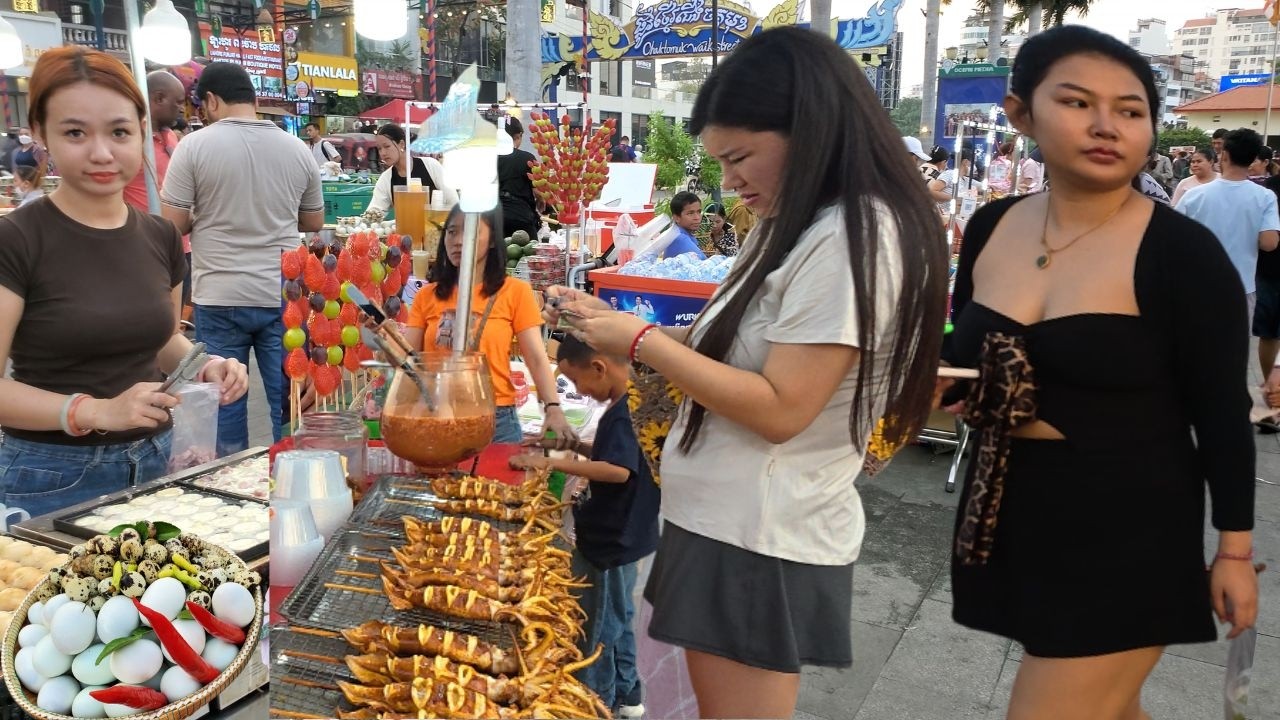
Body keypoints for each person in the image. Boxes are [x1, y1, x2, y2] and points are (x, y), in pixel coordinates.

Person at [542, 27, 947, 718]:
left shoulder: (854, 236)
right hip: (723, 515)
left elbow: (783, 407)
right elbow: (729, 345)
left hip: (760, 530)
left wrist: (640, 340)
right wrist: (614, 328)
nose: (728, 182)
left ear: (811, 131)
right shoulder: (793, 222)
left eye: (739, 158)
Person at [943, 26, 1257, 719]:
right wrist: (948, 388)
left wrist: (1234, 551)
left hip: (1129, 524)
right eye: (1078, 102)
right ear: (1021, 113)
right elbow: (972, 359)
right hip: (1012, 511)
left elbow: (1222, 413)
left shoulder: (1183, 253)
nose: (1107, 125)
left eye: (1131, 109)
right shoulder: (992, 227)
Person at [0, 47, 248, 518]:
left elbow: (161, 342)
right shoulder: (16, 239)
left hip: (157, 462)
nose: (101, 153)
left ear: (141, 131)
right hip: (52, 474)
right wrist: (95, 411)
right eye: (75, 132)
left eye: (119, 132)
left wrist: (206, 366)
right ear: (40, 133)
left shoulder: (160, 235)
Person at [161, 61, 324, 456]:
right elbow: (314, 221)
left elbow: (171, 225)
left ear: (211, 101)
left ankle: (233, 480)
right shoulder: (296, 148)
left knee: (226, 399)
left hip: (220, 294)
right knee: (289, 400)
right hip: (282, 294)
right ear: (252, 99)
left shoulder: (193, 147)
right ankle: (291, 471)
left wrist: (205, 215)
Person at [508, 335, 659, 717]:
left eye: (576, 381)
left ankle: (596, 702)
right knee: (620, 617)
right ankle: (629, 696)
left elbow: (618, 470)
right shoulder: (631, 404)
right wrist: (575, 447)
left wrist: (550, 463)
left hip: (611, 541)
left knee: (599, 626)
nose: (578, 390)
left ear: (599, 367)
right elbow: (615, 457)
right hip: (627, 536)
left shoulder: (623, 413)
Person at [404, 205, 576, 446]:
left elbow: (537, 358)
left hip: (497, 419)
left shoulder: (515, 292)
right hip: (438, 415)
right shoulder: (427, 296)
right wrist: (382, 335)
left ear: (493, 240)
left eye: (470, 231)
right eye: (452, 232)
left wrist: (553, 407)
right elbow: (408, 359)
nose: (458, 241)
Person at [1176, 128, 1280, 330]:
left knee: (1197, 343)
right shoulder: (1265, 197)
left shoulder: (1194, 195)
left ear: (1224, 155)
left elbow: (1173, 239)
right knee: (1234, 345)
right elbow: (1269, 243)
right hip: (1241, 287)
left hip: (1197, 285)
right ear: (1253, 158)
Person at [124, 71, 190, 320]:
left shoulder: (170, 137)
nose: (181, 108)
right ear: (158, 98)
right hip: (143, 246)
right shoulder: (131, 140)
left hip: (179, 245)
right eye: (178, 102)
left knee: (174, 321)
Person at [366, 123, 454, 216]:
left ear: (402, 144)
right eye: (379, 149)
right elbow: (375, 211)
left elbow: (453, 201)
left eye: (387, 146)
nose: (383, 153)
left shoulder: (431, 166)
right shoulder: (386, 179)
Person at [497, 117, 541, 241]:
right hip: (520, 217)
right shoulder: (527, 158)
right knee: (528, 251)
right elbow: (538, 191)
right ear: (518, 135)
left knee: (496, 252)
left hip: (493, 217)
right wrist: (541, 200)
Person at [929, 148, 982, 216]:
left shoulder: (965, 179)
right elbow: (932, 191)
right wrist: (955, 198)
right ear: (965, 162)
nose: (975, 167)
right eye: (973, 163)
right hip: (946, 217)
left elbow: (983, 186)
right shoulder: (950, 174)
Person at [663, 191, 707, 260]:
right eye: (690, 213)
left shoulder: (678, 232)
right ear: (676, 218)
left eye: (699, 212)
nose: (697, 217)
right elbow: (705, 263)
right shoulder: (679, 238)